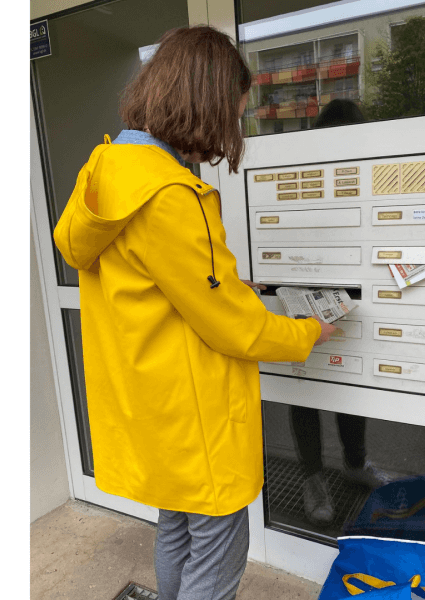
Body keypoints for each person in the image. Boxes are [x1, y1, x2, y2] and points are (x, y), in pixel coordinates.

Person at [52, 26, 337, 600]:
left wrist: (227, 282)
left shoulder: (107, 172)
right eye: (234, 111)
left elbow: (161, 283)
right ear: (205, 102)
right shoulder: (171, 195)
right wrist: (310, 330)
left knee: (176, 528)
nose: (234, 125)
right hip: (196, 419)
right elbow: (236, 326)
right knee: (217, 549)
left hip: (152, 413)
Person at [295, 98, 390, 528]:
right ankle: (313, 477)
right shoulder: (302, 182)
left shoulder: (369, 179)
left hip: (354, 302)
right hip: (303, 302)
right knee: (304, 395)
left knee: (353, 386)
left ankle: (355, 462)